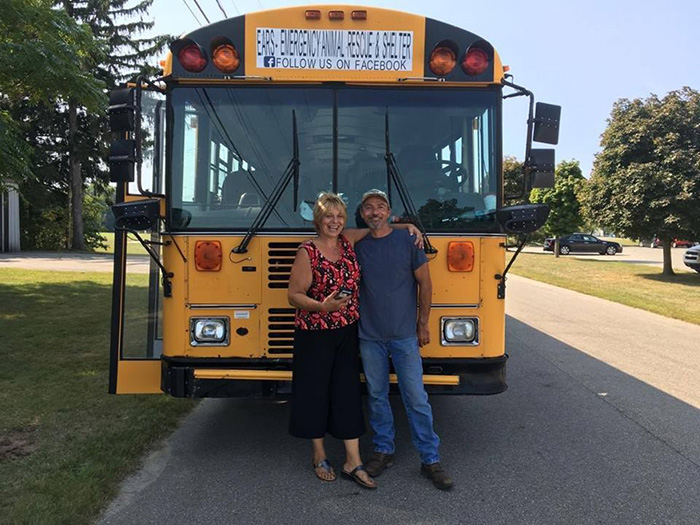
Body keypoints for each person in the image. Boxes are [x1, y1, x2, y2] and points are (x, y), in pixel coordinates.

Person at [354, 189, 454, 490]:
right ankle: (384, 450)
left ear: (389, 210)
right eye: (369, 208)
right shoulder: (357, 245)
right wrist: (402, 224)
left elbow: (425, 283)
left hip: (404, 336)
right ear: (361, 212)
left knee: (416, 398)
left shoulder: (409, 241)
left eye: (380, 207)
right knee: (376, 397)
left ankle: (430, 459)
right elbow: (336, 231)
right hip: (369, 335)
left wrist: (422, 324)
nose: (375, 212)